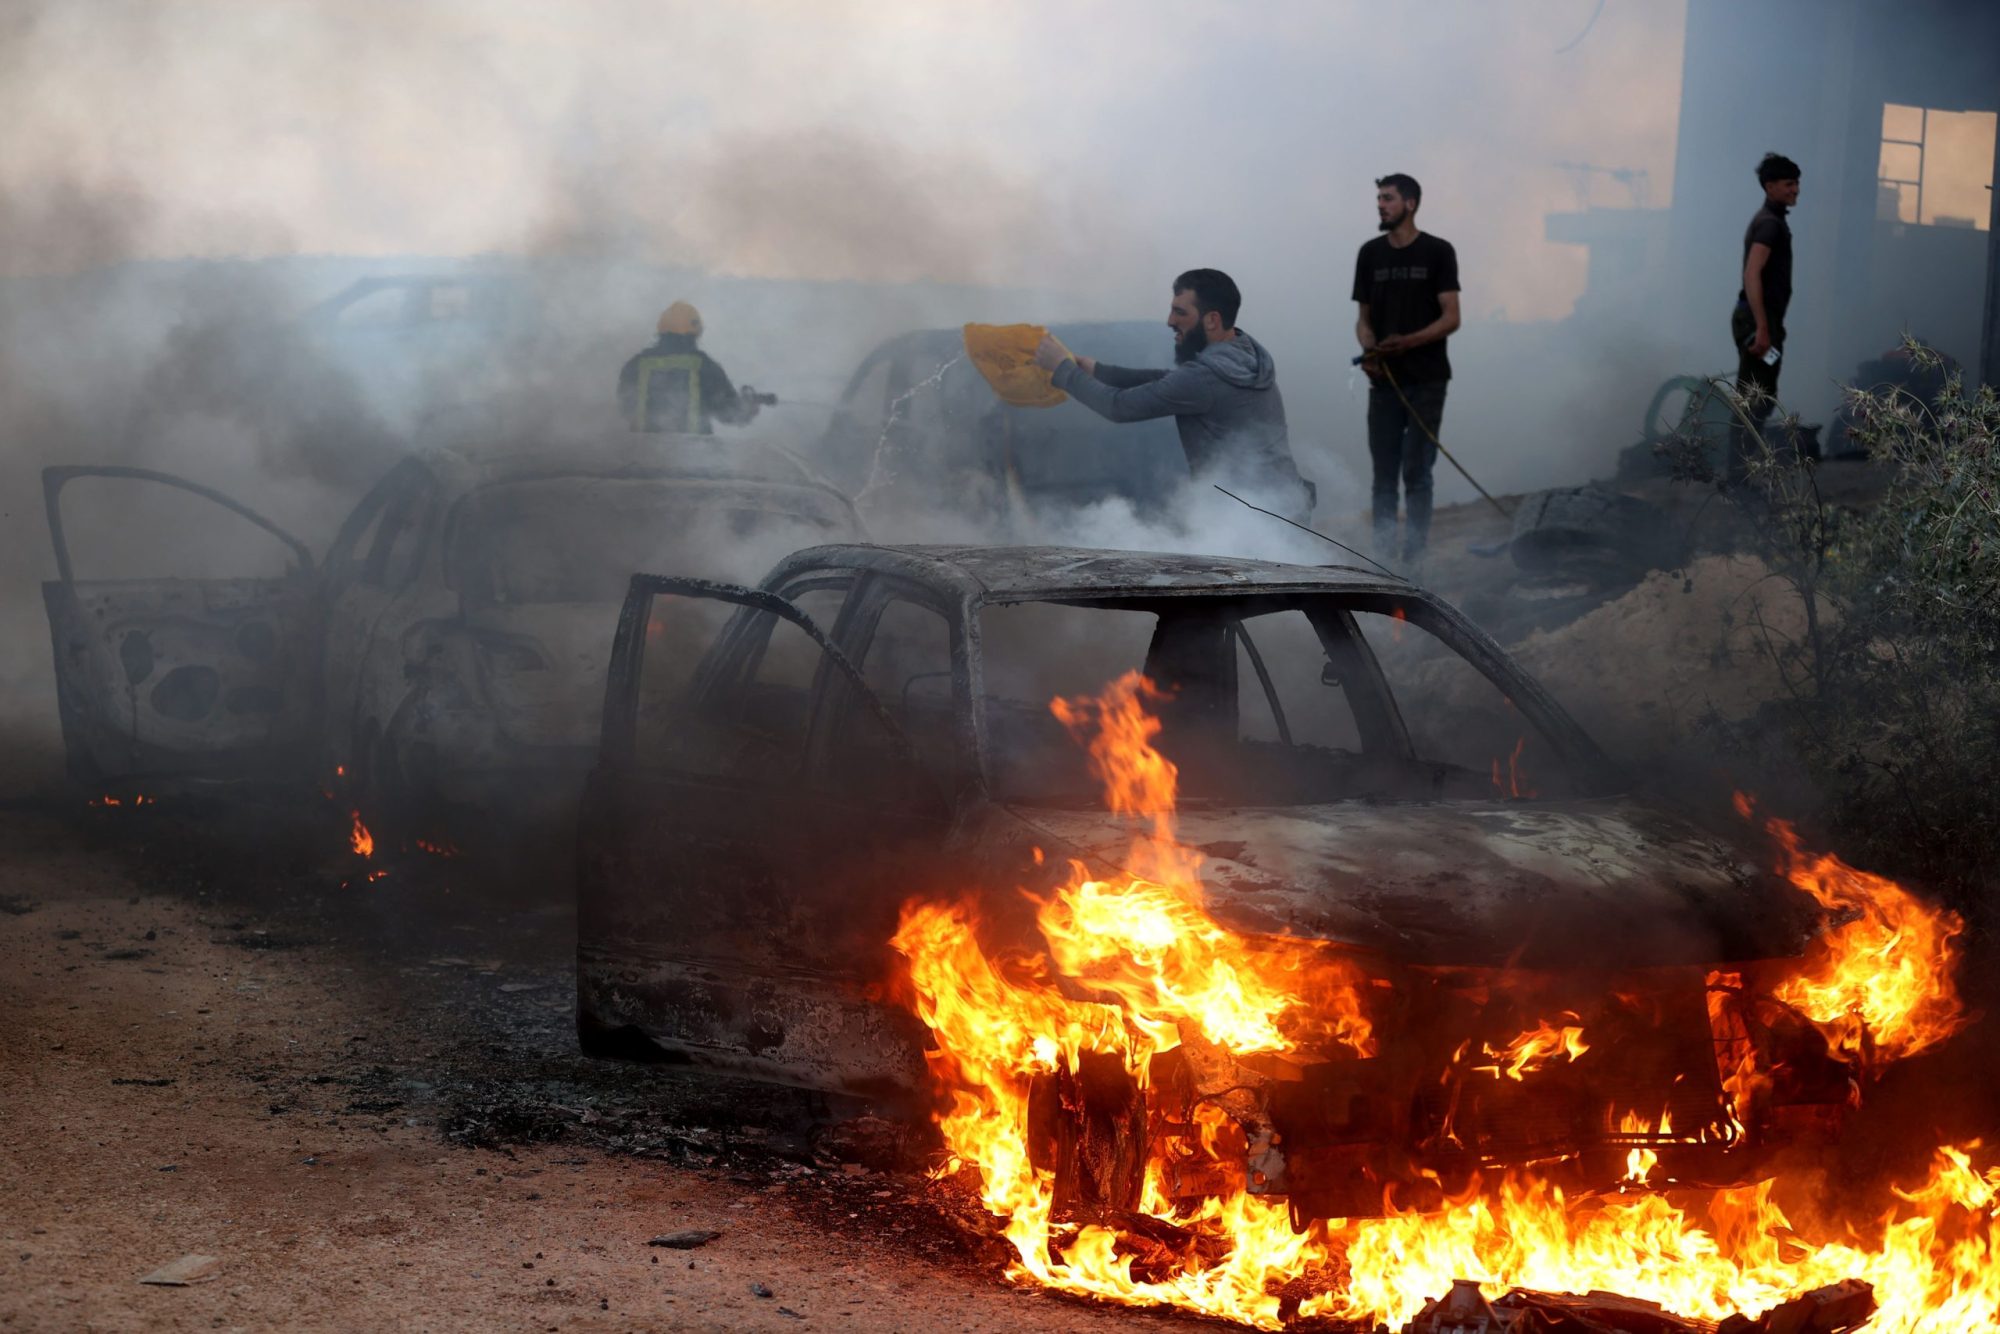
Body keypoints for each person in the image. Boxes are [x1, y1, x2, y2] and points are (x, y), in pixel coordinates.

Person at [1030, 269, 1312, 520]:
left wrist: (1062, 369)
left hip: (1253, 519)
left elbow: (1117, 407)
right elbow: (1171, 381)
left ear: (1212, 320)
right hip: (1287, 504)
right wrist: (1099, 371)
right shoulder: (1246, 352)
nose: (1169, 321)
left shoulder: (1203, 379)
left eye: (1180, 312)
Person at [1353, 172, 1461, 562]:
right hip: (1384, 383)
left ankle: (1415, 561)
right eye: (1379, 198)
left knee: (1417, 472)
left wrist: (1408, 342)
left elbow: (1452, 317)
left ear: (1410, 203)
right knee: (1383, 475)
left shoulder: (1438, 252)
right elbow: (1363, 318)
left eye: (1388, 198)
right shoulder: (1370, 254)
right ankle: (1382, 560)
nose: (1381, 205)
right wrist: (1370, 350)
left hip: (1428, 380)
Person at [1729, 153, 1801, 480]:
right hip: (1758, 322)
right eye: (1789, 184)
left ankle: (1742, 472)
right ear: (1770, 187)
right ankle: (1739, 476)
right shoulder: (1769, 225)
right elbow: (1752, 274)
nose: (1795, 190)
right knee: (1754, 397)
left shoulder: (1772, 221)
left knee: (1760, 394)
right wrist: (1761, 327)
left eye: (1796, 183)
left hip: (1762, 322)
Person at [617, 301, 761, 435]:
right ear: (696, 331)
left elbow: (625, 409)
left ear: (661, 330)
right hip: (696, 457)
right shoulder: (705, 366)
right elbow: (729, 414)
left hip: (639, 455)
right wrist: (749, 407)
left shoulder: (635, 365)